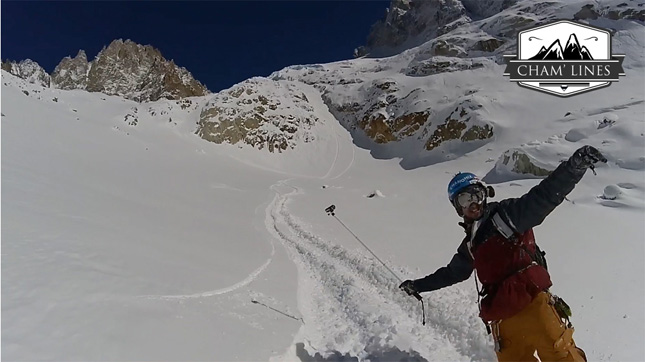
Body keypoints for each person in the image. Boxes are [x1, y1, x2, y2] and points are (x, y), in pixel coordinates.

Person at [399, 145, 607, 362]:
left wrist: (573, 168)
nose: (473, 203)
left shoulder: (507, 216)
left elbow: (544, 197)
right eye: (464, 200)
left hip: (534, 307)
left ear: (485, 194)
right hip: (502, 319)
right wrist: (418, 285)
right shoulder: (471, 245)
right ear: (457, 208)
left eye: (476, 195)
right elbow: (453, 273)